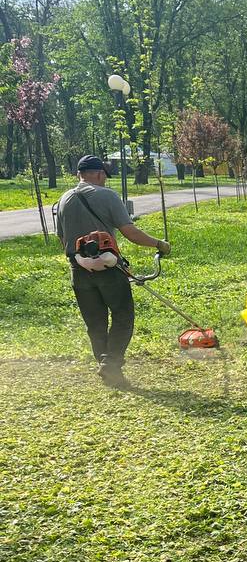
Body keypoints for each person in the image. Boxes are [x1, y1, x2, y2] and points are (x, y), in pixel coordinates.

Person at [56, 154, 171, 390]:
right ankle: (111, 364)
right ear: (100, 174)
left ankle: (105, 364)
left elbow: (62, 238)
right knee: (123, 315)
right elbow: (130, 232)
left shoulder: (64, 199)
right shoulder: (107, 195)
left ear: (79, 174)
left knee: (95, 322)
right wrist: (159, 244)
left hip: (78, 270)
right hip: (108, 269)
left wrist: (82, 260)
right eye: (105, 176)